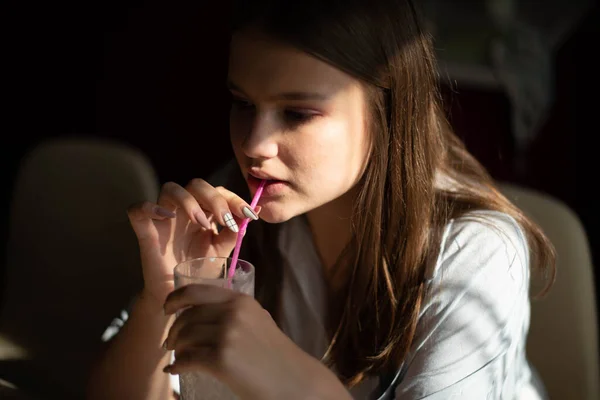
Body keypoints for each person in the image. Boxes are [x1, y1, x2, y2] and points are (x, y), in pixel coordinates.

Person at [87, 0, 556, 398]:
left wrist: (293, 380)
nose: (254, 143)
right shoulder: (227, 210)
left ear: (387, 113)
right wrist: (159, 300)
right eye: (243, 104)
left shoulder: (474, 252)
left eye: (297, 113)